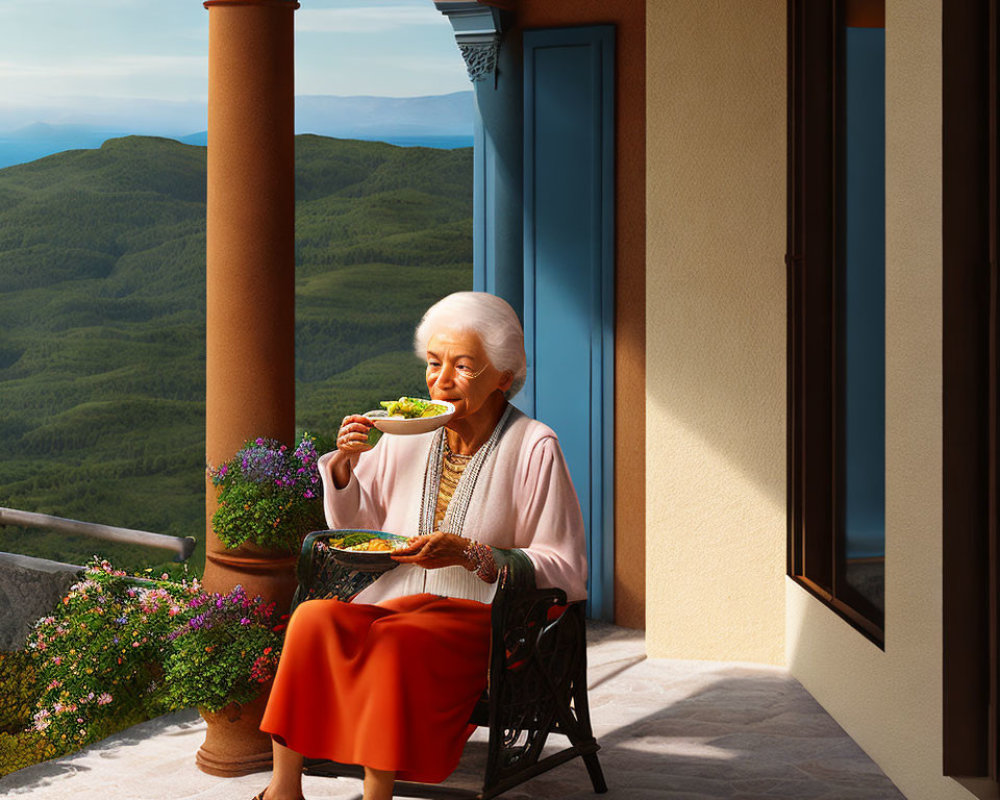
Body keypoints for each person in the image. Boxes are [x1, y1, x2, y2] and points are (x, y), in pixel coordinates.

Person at [253, 291, 587, 800]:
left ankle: (377, 794)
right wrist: (344, 465)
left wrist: (472, 555)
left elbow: (564, 566)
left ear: (503, 375)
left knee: (391, 646)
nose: (441, 380)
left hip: (480, 619)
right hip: (393, 600)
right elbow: (361, 523)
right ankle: (284, 789)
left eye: (463, 366)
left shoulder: (534, 445)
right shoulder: (406, 433)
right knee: (311, 620)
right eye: (434, 364)